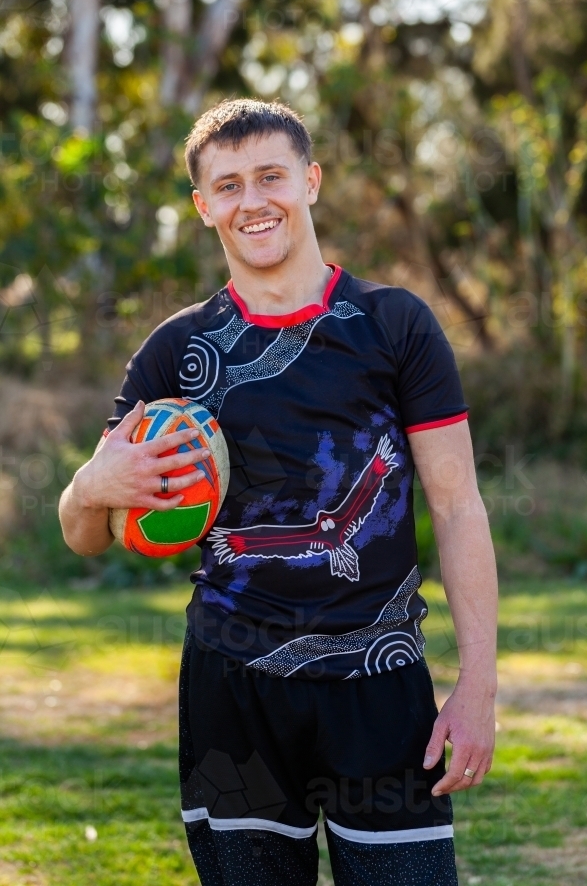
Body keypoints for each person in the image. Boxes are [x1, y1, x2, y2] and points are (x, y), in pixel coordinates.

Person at [59, 98, 498, 886]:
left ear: (311, 181)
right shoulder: (176, 352)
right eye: (227, 186)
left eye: (271, 176)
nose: (251, 201)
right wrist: (92, 486)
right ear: (202, 208)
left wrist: (478, 686)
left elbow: (459, 506)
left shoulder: (394, 326)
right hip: (233, 692)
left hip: (380, 680)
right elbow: (84, 529)